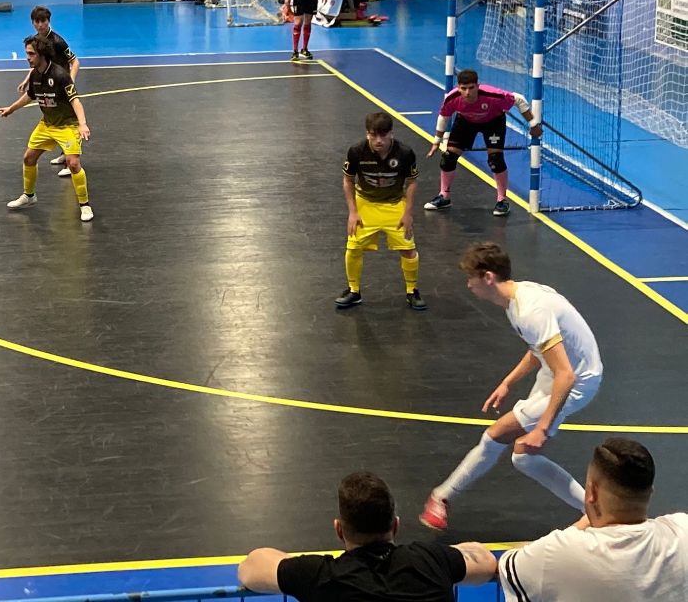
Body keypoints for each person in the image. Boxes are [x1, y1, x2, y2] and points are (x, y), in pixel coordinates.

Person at [420, 241, 603, 531]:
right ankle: (596, 514)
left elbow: (566, 375)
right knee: (523, 457)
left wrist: (542, 427)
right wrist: (508, 382)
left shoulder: (531, 311)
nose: (468, 284)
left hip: (577, 381)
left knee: (495, 436)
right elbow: (538, 350)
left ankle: (441, 497)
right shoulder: (518, 299)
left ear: (488, 277)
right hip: (559, 372)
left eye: (471, 277)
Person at [238, 471, 497, 602]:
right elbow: (485, 562)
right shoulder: (432, 560)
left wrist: (298, 569)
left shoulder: (319, 576)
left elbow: (250, 567)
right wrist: (446, 556)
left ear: (339, 530)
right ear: (395, 525)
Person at [499, 438, 688, 601]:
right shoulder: (681, 530)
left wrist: (579, 526)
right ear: (650, 492)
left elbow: (505, 568)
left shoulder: (557, 552)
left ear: (592, 493)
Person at [0, 34, 94, 222]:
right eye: (27, 53)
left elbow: (75, 100)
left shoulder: (60, 75)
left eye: (31, 54)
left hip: (67, 125)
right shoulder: (35, 74)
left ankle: (85, 205)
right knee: (28, 158)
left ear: (41, 54)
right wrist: (11, 109)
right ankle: (29, 195)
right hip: (47, 124)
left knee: (73, 164)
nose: (27, 57)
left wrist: (82, 124)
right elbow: (29, 96)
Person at [335, 112, 426, 311]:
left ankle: (412, 290)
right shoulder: (356, 151)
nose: (378, 140)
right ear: (367, 133)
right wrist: (353, 212)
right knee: (353, 247)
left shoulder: (405, 153)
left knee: (408, 249)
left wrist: (407, 213)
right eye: (373, 135)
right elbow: (348, 180)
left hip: (395, 204)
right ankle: (354, 290)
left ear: (391, 133)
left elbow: (411, 182)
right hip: (365, 204)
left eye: (383, 135)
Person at [423, 69, 543, 217]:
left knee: (495, 161)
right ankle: (444, 196)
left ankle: (502, 200)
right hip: (466, 121)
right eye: (463, 88)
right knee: (448, 157)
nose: (467, 92)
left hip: (493, 122)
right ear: (458, 87)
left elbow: (519, 99)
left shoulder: (493, 95)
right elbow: (444, 116)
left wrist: (533, 124)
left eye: (471, 88)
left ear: (478, 86)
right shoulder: (452, 98)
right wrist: (437, 141)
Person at [15, 6, 81, 178]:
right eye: (37, 21)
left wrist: (71, 80)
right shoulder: (36, 41)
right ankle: (64, 154)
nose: (40, 25)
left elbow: (75, 61)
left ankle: (70, 161)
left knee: (66, 120)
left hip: (61, 83)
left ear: (48, 21)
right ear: (32, 23)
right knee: (54, 116)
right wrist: (27, 79)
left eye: (43, 21)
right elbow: (39, 64)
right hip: (49, 83)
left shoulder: (58, 41)